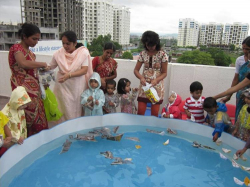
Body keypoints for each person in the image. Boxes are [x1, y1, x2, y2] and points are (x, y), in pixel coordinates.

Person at [8, 23, 48, 136]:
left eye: (38, 39)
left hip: (35, 89)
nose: (36, 42)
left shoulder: (31, 53)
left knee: (38, 117)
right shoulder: (16, 48)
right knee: (25, 116)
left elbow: (32, 69)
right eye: (34, 39)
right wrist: (42, 64)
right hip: (21, 88)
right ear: (24, 37)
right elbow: (23, 63)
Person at [48, 31, 93, 122]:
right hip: (62, 86)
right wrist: (41, 66)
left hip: (76, 87)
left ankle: (74, 129)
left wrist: (69, 75)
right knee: (62, 108)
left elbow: (84, 70)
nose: (65, 46)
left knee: (75, 109)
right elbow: (51, 66)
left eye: (68, 44)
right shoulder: (58, 53)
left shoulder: (82, 53)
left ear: (75, 43)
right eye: (63, 43)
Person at [134, 31, 168, 117]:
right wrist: (141, 78)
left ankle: (152, 130)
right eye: (148, 45)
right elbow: (136, 70)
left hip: (157, 87)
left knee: (154, 113)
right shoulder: (143, 54)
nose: (150, 48)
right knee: (140, 112)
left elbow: (164, 73)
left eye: (152, 45)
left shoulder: (163, 55)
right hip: (144, 87)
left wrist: (156, 80)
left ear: (156, 43)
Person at [220, 36, 250, 121]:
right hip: (241, 94)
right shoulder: (239, 60)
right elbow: (236, 79)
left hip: (248, 94)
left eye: (247, 49)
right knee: (239, 117)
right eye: (243, 48)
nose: (244, 51)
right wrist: (228, 96)